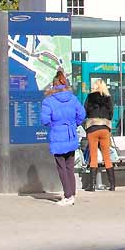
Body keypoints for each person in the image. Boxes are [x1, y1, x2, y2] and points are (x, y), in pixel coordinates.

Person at [39, 70, 85, 205]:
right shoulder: (73, 98)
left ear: (53, 85)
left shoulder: (49, 101)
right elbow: (81, 114)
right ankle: (72, 194)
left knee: (61, 167)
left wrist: (54, 124)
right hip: (71, 134)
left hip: (58, 135)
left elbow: (44, 119)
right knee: (70, 166)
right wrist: (73, 124)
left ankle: (67, 195)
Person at [83, 78, 114, 192]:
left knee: (94, 157)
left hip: (93, 128)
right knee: (107, 157)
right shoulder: (108, 98)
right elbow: (111, 113)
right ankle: (112, 185)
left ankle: (92, 185)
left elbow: (85, 111)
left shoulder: (90, 97)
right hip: (105, 128)